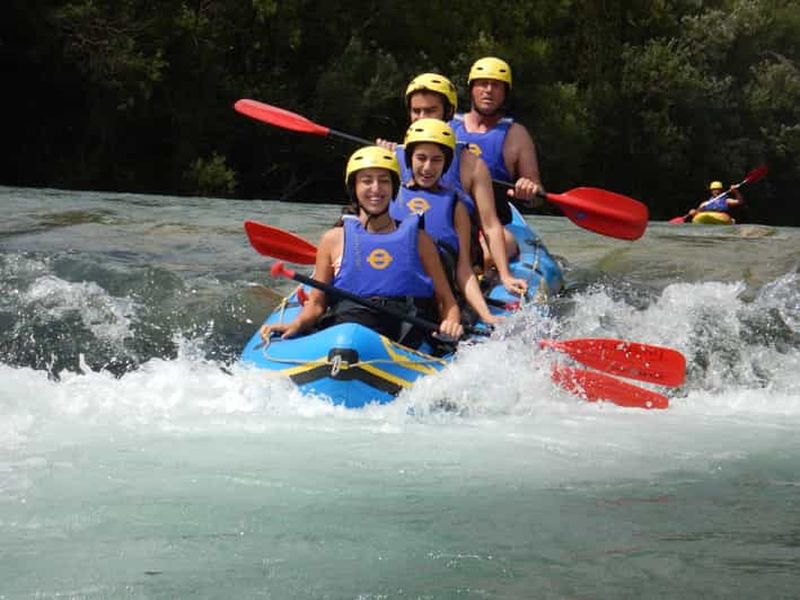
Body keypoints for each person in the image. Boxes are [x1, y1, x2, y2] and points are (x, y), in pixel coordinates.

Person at [260, 146, 464, 345]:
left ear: (393, 188)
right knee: (348, 335)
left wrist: (452, 321)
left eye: (384, 181)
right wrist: (297, 324)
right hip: (347, 323)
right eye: (367, 181)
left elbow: (446, 301)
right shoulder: (332, 239)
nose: (376, 188)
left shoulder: (420, 240)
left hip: (401, 329)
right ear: (354, 188)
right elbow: (316, 303)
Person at [377, 72, 528, 296]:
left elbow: (490, 225)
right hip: (399, 253)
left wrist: (505, 275)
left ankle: (483, 279)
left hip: (453, 258)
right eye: (416, 111)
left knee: (500, 245)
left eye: (430, 111)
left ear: (448, 113)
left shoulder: (472, 165)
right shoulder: (391, 157)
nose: (421, 118)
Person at [390, 118, 501, 325]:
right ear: (408, 159)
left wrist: (486, 315)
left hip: (433, 295)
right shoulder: (389, 195)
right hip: (392, 289)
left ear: (446, 163)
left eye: (436, 160)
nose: (427, 167)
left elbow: (464, 270)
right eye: (421, 158)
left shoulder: (455, 205)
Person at [450, 57, 544, 217]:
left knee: (506, 242)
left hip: (493, 217)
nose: (488, 90)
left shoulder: (517, 134)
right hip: (451, 214)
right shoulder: (447, 127)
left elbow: (538, 196)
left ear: (505, 93)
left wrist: (530, 191)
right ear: (472, 89)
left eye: (496, 85)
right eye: (482, 83)